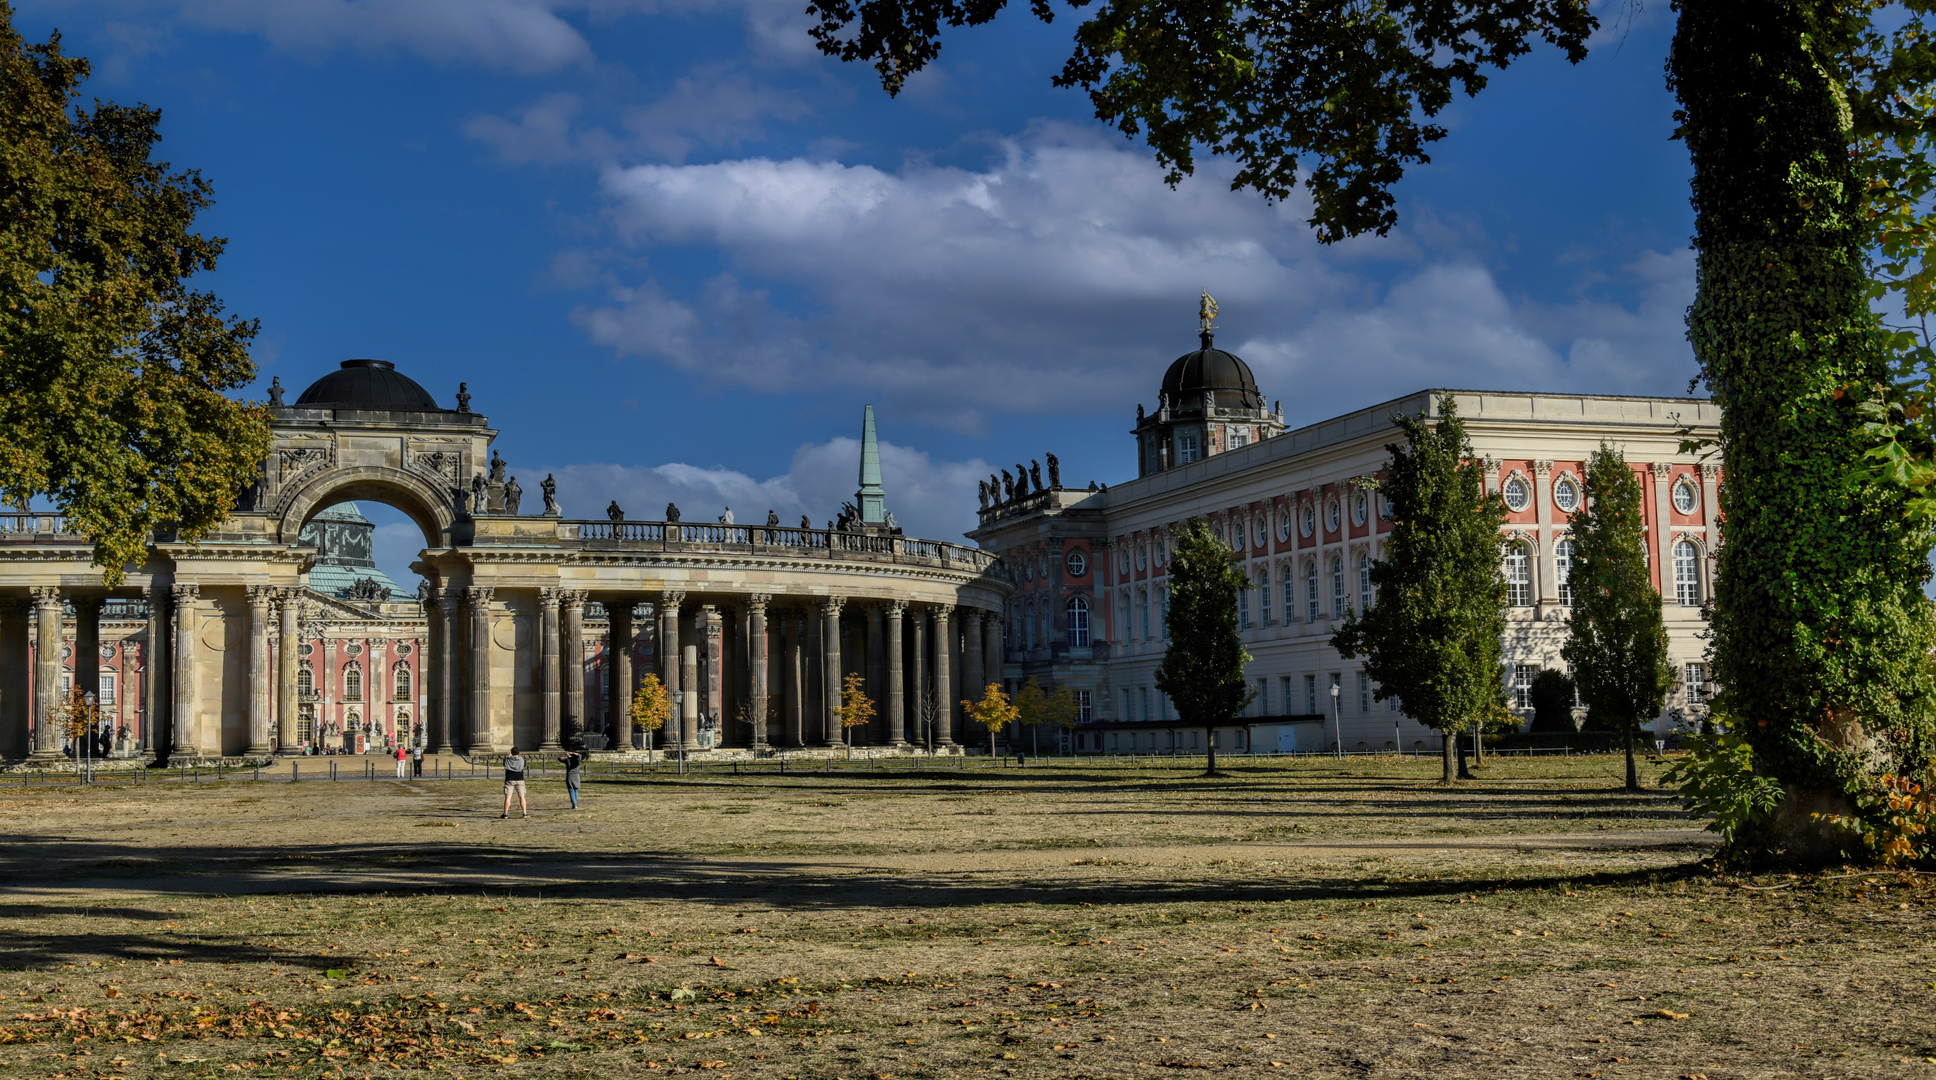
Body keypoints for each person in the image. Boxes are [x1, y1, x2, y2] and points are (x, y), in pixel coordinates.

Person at [501, 747, 529, 818]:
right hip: (519, 779)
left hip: (509, 779)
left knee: (508, 797)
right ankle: (524, 812)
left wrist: (509, 756)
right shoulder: (522, 760)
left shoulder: (507, 760)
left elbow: (504, 763)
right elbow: (524, 765)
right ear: (519, 753)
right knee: (522, 797)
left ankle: (506, 813)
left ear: (511, 752)